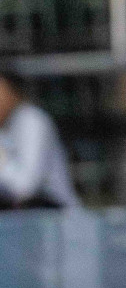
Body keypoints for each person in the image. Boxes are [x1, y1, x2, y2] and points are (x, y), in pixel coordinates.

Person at [0, 68, 80, 209]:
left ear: (13, 91)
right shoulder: (6, 126)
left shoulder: (32, 120)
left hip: (55, 217)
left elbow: (25, 187)